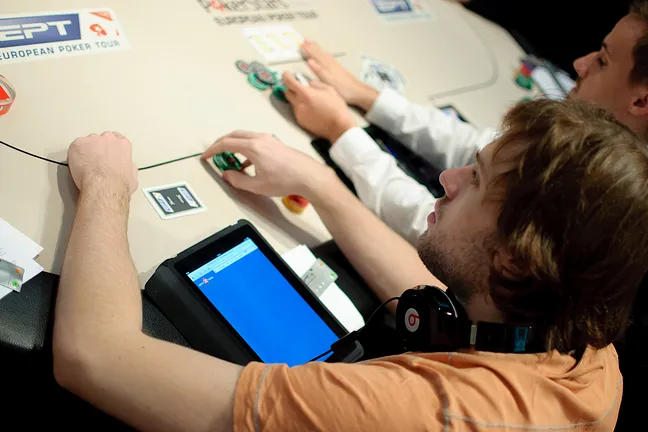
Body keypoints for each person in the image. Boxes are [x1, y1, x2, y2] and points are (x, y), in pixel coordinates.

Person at [53, 98, 648, 431]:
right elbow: (444, 288)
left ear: (517, 261)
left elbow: (97, 357)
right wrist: (319, 184)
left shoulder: (413, 414)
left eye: (476, 182)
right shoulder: (586, 350)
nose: (445, 179)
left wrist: (108, 185)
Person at [282, 0, 648, 244]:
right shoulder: (591, 141)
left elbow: (440, 230)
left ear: (642, 100)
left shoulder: (595, 187)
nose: (580, 64)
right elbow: (481, 146)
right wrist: (370, 98)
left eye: (602, 60)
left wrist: (342, 132)